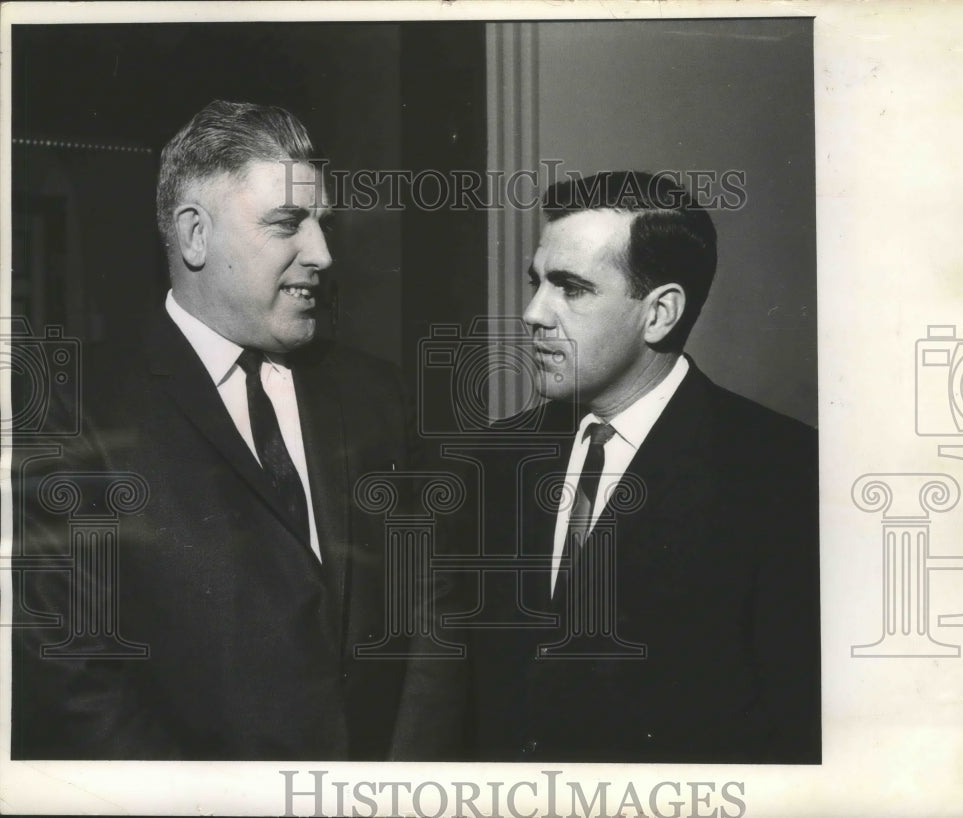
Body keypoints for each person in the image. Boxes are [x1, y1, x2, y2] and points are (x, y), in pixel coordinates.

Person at [12, 100, 463, 760]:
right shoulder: (72, 408)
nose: (324, 253)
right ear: (194, 235)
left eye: (323, 223)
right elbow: (74, 676)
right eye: (289, 224)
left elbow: (433, 621)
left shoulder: (378, 396)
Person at [470, 172, 820, 763]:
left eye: (571, 288)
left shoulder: (785, 476)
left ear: (660, 314)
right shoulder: (491, 460)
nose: (532, 313)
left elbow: (794, 734)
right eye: (536, 283)